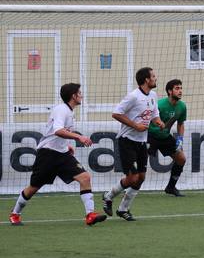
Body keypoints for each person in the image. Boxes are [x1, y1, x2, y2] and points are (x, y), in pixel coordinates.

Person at [9, 83, 107, 226]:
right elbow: (57, 131)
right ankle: (15, 213)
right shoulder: (61, 109)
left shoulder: (69, 111)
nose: (81, 95)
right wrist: (78, 137)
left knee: (85, 177)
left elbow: (57, 133)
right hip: (47, 155)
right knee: (34, 187)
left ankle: (90, 215)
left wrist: (66, 146)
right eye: (79, 93)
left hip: (62, 155)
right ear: (73, 96)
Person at [103, 67, 166, 221]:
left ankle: (123, 209)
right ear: (146, 79)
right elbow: (116, 113)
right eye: (153, 76)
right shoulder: (133, 96)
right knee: (132, 178)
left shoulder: (153, 95)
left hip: (141, 142)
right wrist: (135, 126)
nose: (155, 78)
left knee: (141, 177)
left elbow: (154, 114)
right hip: (127, 141)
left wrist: (158, 122)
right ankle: (108, 196)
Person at [147, 79, 188, 197]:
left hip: (165, 137)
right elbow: (146, 120)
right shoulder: (159, 105)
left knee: (181, 158)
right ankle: (127, 184)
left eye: (181, 88)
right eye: (177, 88)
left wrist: (180, 140)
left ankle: (171, 187)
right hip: (150, 136)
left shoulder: (182, 106)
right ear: (169, 91)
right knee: (138, 162)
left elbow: (180, 124)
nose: (180, 91)